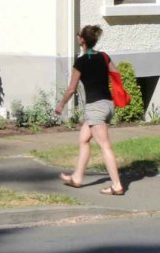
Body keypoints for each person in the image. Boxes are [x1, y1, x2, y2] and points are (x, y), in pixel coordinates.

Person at [55, 24, 126, 196]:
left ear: (82, 40)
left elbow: (72, 89)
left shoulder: (80, 62)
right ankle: (77, 178)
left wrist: (61, 104)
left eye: (79, 35)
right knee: (84, 138)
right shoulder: (104, 57)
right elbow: (116, 75)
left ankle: (117, 185)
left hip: (96, 107)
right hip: (107, 104)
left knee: (105, 146)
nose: (78, 38)